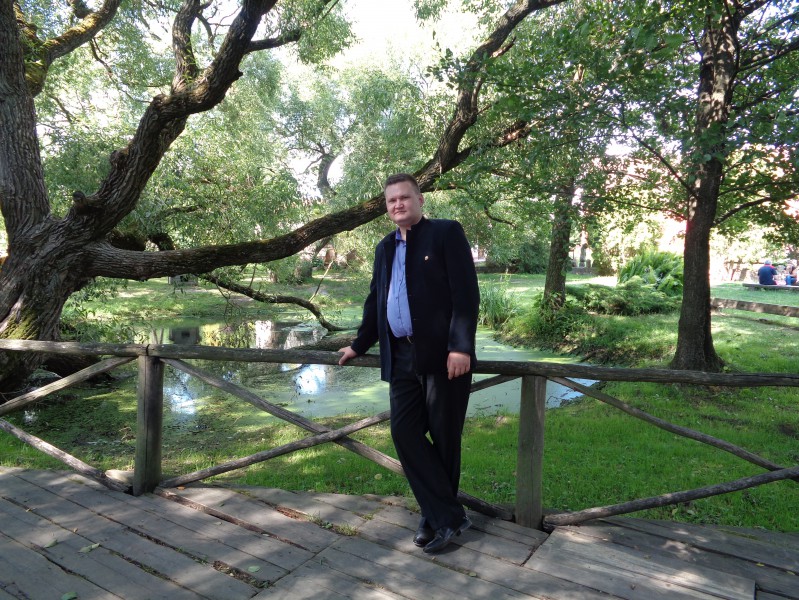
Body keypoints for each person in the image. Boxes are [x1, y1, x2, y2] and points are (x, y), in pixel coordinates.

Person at [338, 173, 480, 554]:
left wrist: (460, 346)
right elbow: (376, 300)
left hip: (443, 356)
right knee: (404, 432)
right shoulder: (384, 248)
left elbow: (466, 294)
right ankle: (447, 515)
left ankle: (434, 519)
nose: (398, 204)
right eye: (391, 200)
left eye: (404, 197)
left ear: (420, 200)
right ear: (387, 208)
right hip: (400, 355)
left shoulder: (446, 233)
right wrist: (359, 344)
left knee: (445, 438)